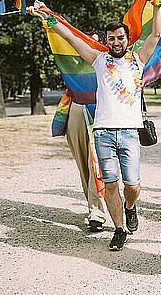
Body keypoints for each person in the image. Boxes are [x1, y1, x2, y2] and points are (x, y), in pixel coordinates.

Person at [27, 0, 161, 251]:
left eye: (120, 38)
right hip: (102, 132)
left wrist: (156, 5)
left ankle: (130, 206)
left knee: (132, 185)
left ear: (127, 39)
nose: (116, 42)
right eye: (111, 38)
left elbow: (156, 34)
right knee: (110, 183)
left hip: (129, 133)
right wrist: (48, 18)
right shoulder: (98, 60)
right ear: (107, 40)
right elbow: (70, 37)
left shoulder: (138, 59)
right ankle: (119, 229)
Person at [66, 98, 108, 231]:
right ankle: (93, 205)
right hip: (77, 107)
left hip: (102, 109)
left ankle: (97, 212)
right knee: (83, 165)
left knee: (95, 164)